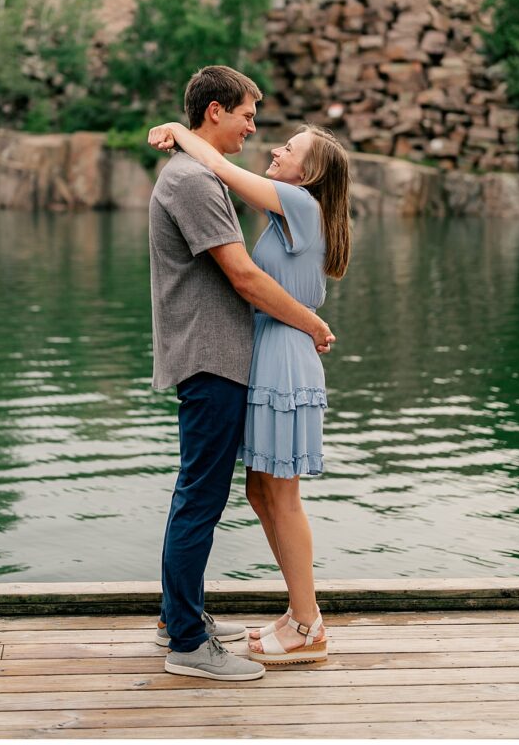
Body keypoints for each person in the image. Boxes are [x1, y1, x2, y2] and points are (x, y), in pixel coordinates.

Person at [148, 65, 336, 682]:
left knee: (260, 493)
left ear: (308, 173)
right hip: (223, 355)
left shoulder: (291, 201)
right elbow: (246, 278)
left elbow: (231, 179)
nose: (263, 134)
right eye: (249, 115)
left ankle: (265, 622)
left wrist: (178, 128)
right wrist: (310, 321)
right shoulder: (198, 181)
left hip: (262, 355)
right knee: (219, 495)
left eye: (286, 145)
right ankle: (186, 632)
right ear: (216, 113)